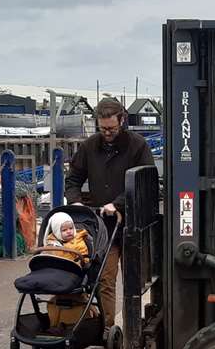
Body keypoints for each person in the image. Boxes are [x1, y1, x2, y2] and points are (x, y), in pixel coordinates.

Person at [64, 98, 154, 333]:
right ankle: (107, 331)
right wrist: (75, 202)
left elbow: (148, 181)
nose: (107, 133)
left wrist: (118, 203)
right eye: (103, 129)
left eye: (112, 129)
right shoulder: (89, 147)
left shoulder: (138, 145)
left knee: (135, 280)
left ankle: (134, 330)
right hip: (104, 225)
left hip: (133, 222)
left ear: (122, 120)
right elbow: (73, 179)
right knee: (105, 278)